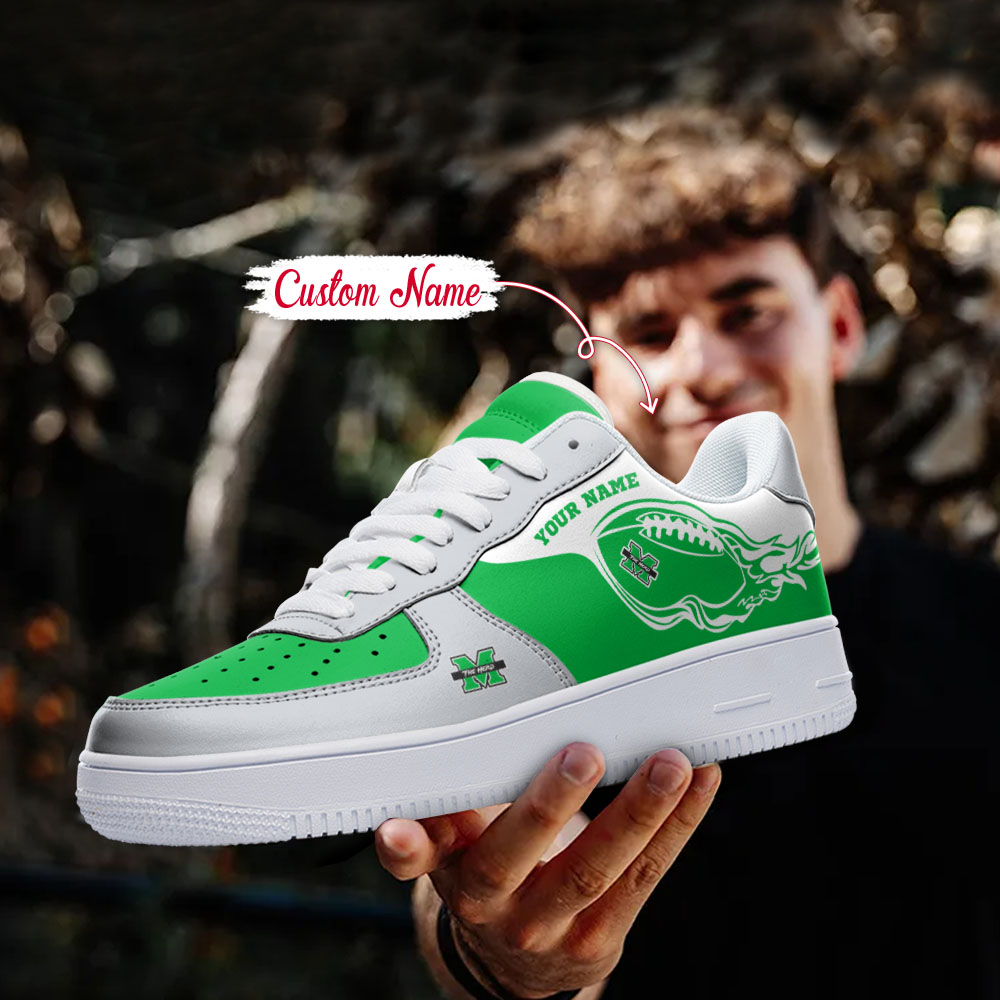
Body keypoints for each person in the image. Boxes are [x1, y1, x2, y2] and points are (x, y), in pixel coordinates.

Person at [373, 108, 1000, 999]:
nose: (701, 367)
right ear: (599, 378)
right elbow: (481, 899)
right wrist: (508, 954)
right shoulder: (528, 653)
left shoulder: (984, 627)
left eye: (748, 312)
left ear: (840, 326)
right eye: (650, 334)